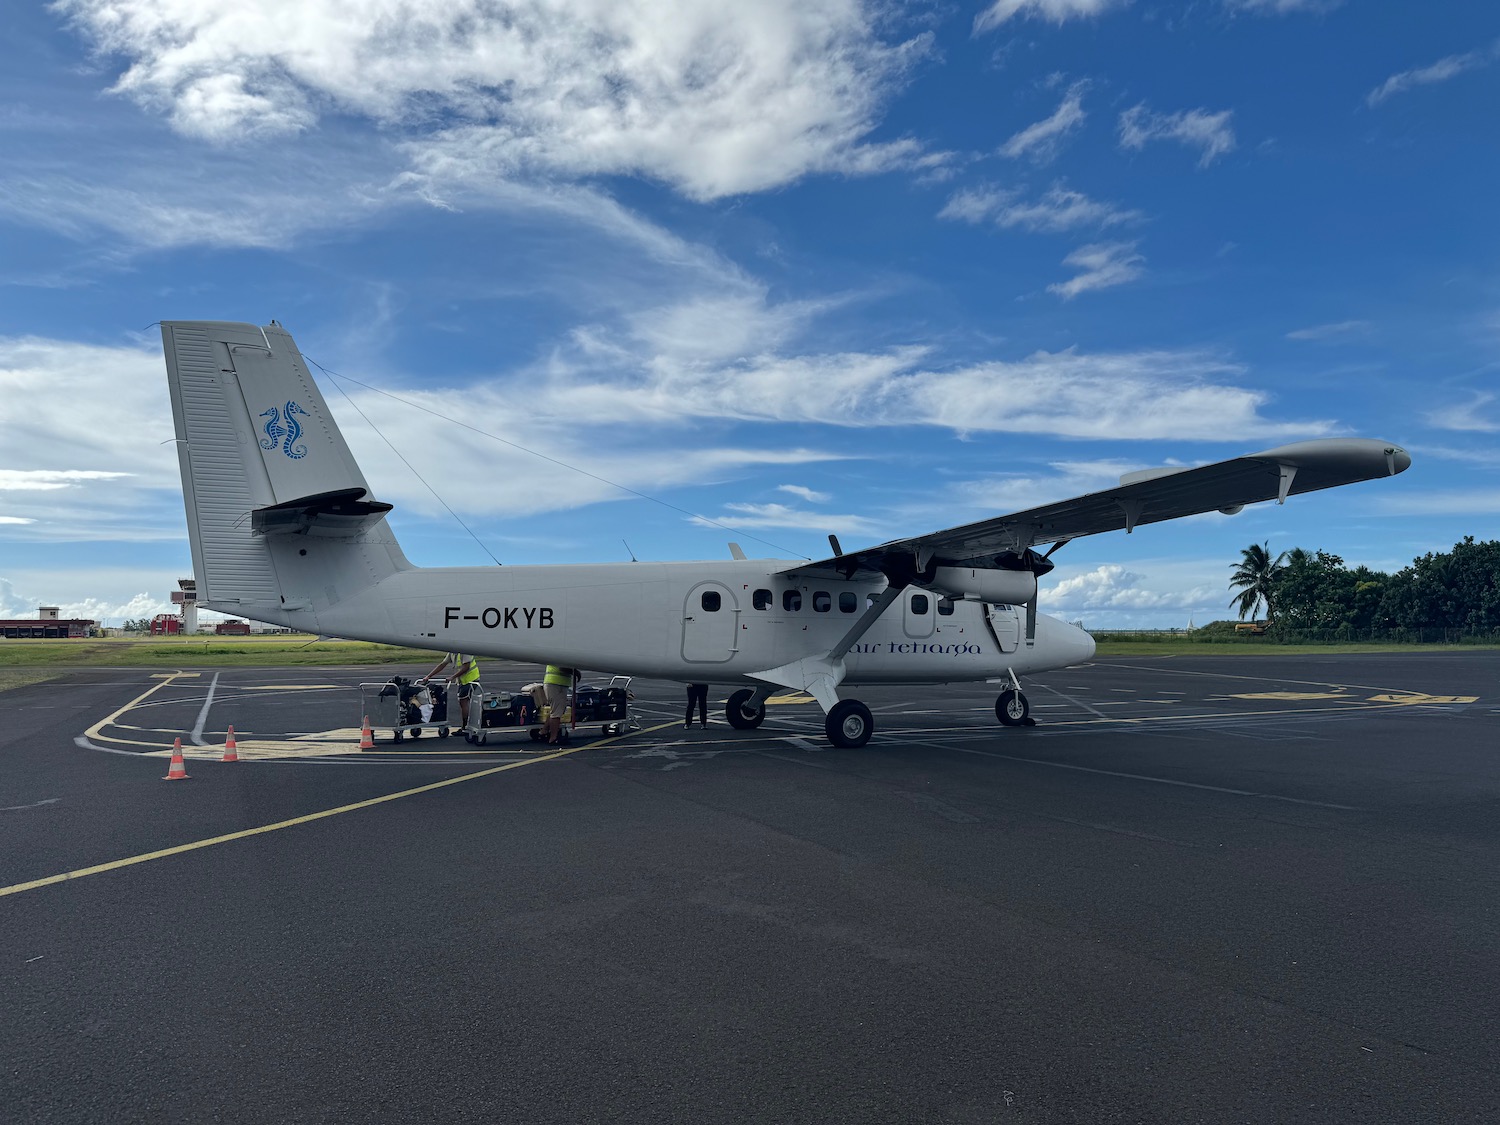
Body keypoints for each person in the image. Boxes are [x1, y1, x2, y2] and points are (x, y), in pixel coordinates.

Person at [424, 650, 480, 730]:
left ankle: (465, 727)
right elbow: (442, 664)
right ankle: (467, 725)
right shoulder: (452, 653)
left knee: (463, 702)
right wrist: (429, 676)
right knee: (464, 702)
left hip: (471, 679)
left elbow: (466, 667)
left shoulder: (465, 651)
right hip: (463, 681)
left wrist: (452, 677)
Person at [542, 663, 576, 745]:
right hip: (556, 684)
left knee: (555, 710)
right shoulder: (560, 655)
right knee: (556, 713)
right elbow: (562, 668)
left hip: (555, 683)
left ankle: (543, 731)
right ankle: (553, 738)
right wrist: (575, 672)